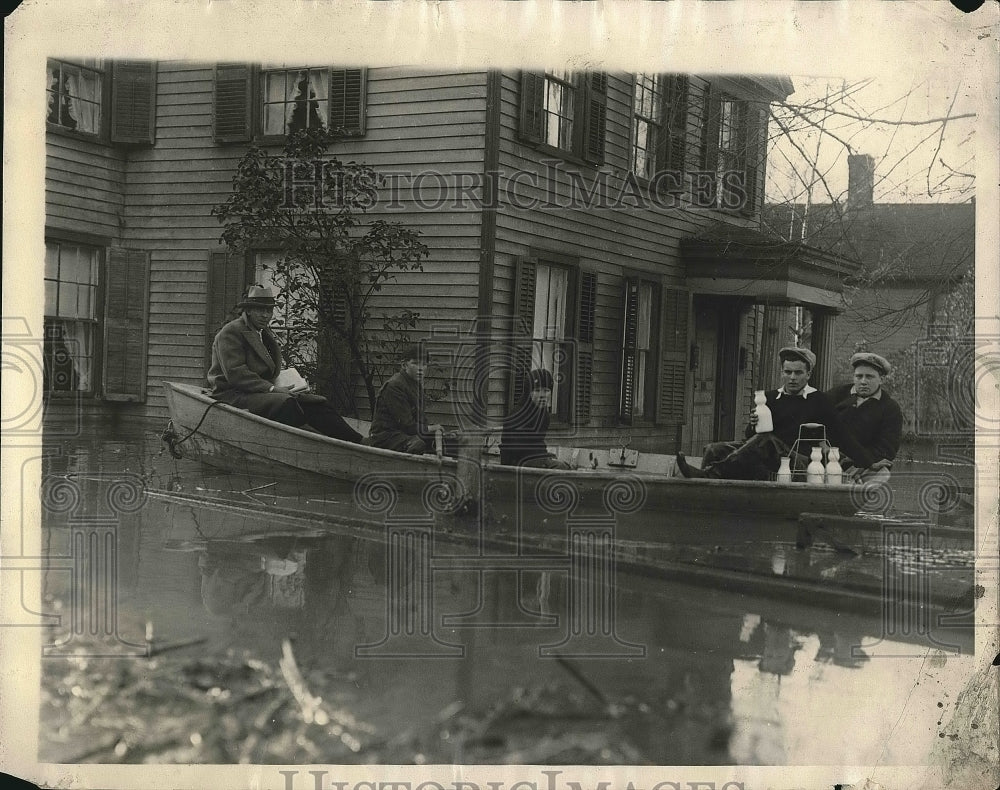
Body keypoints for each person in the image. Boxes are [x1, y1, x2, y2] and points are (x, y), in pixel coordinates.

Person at [675, 346, 875, 480]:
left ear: (808, 374)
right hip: (767, 454)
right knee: (714, 449)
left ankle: (708, 477)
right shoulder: (770, 398)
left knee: (765, 440)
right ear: (782, 372)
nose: (792, 378)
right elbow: (750, 439)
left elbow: (842, 435)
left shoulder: (819, 401)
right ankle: (705, 489)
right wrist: (752, 424)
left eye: (798, 373)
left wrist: (868, 463)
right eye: (788, 372)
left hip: (798, 461)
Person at [207, 285, 363, 443]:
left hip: (257, 392)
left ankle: (359, 442)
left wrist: (286, 384)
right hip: (233, 394)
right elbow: (236, 374)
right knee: (286, 403)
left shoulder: (262, 332)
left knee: (317, 402)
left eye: (269, 311)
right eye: (260, 310)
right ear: (248, 310)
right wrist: (273, 389)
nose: (265, 315)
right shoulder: (231, 332)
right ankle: (300, 445)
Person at [826, 352, 903, 474]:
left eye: (869, 377)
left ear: (881, 379)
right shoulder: (835, 396)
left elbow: (887, 447)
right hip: (830, 460)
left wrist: (862, 463)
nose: (863, 381)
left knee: (882, 474)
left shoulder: (890, 408)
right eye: (859, 376)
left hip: (867, 465)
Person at [368, 344, 448, 454]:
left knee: (447, 440)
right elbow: (408, 426)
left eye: (424, 364)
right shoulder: (395, 386)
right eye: (415, 363)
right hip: (386, 437)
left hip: (403, 435)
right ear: (404, 365)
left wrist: (432, 430)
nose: (421, 369)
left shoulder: (415, 385)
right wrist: (430, 428)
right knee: (418, 444)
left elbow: (420, 420)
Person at [499, 368, 572, 469]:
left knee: (567, 466)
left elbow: (537, 443)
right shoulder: (519, 414)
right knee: (561, 467)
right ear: (528, 393)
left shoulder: (543, 415)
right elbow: (515, 448)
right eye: (537, 391)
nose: (542, 396)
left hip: (533, 459)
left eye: (546, 391)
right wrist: (544, 459)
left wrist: (545, 457)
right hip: (516, 463)